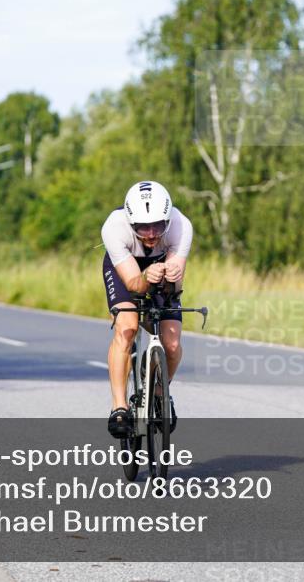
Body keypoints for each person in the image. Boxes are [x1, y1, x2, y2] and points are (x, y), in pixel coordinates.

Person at [101, 181, 192, 438]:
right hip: (126, 270)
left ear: (167, 219)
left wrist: (171, 277)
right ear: (131, 222)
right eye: (142, 227)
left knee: (171, 343)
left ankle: (161, 394)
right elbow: (133, 284)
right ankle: (119, 406)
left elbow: (175, 286)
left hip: (161, 268)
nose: (151, 234)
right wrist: (146, 276)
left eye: (157, 226)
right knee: (127, 328)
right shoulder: (114, 227)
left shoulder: (181, 226)